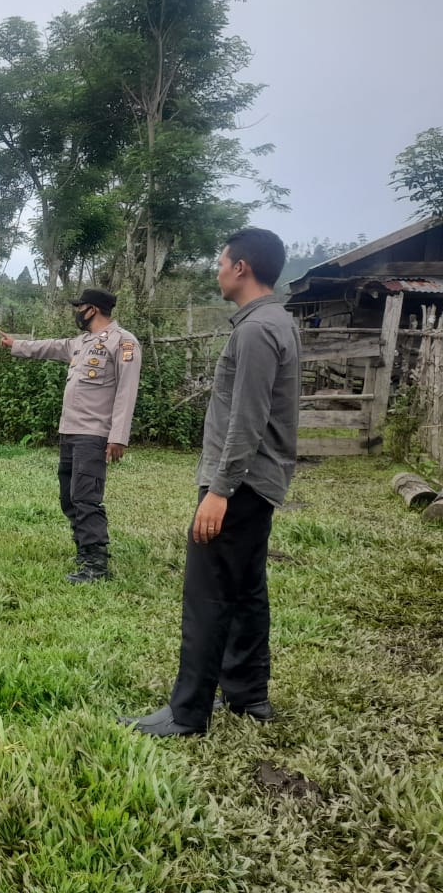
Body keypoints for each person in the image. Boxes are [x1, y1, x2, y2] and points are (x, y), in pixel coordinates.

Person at [120, 228, 300, 737]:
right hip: (256, 482)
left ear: (241, 267)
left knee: (208, 596)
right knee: (245, 590)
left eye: (221, 262)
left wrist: (219, 490)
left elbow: (248, 418)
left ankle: (186, 713)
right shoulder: (275, 321)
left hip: (238, 484)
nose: (217, 271)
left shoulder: (256, 330)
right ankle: (248, 697)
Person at [0, 289, 141, 583]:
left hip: (94, 434)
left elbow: (127, 392)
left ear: (92, 310)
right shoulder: (80, 343)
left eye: (79, 308)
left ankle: (96, 564)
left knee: (85, 497)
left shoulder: (123, 342)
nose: (76, 313)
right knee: (68, 497)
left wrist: (119, 436)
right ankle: (83, 547)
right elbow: (48, 347)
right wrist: (16, 344)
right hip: (70, 431)